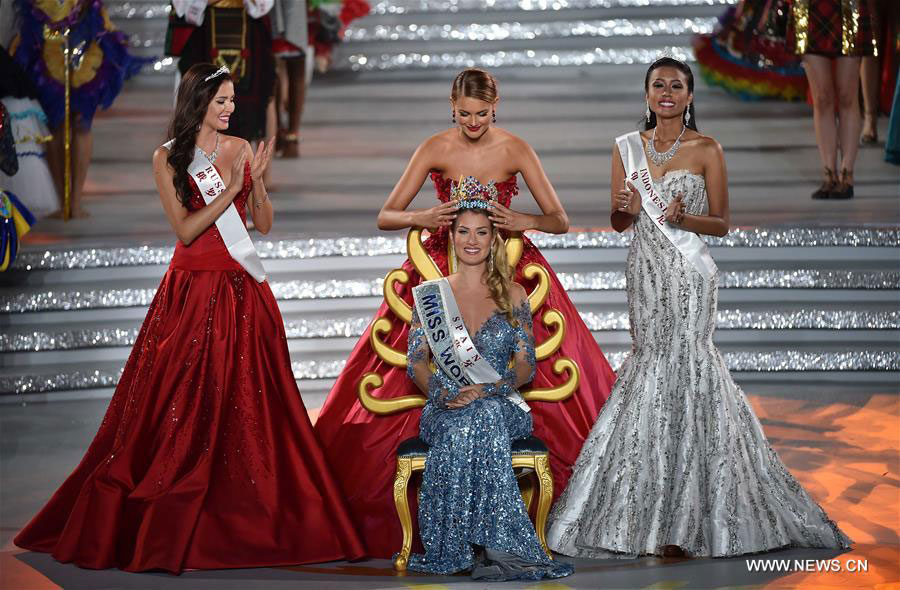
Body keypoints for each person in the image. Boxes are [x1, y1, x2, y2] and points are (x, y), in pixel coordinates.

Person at [13, 63, 365, 573]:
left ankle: (249, 501)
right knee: (176, 396)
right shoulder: (169, 157)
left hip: (244, 290)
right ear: (197, 103)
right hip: (192, 290)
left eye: (231, 100)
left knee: (252, 399)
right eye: (221, 101)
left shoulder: (242, 147)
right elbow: (185, 229)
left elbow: (261, 226)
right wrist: (229, 191)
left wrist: (258, 185)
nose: (230, 108)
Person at [546, 57, 852, 559]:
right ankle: (643, 511)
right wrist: (624, 208)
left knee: (689, 361)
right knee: (651, 362)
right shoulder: (627, 148)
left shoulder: (707, 149)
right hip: (645, 271)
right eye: (658, 85)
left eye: (677, 85)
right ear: (646, 94)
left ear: (690, 96)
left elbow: (723, 224)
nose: (666, 92)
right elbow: (622, 221)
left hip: (689, 275)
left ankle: (695, 511)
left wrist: (688, 217)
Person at [314, 68, 617, 558]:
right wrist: (423, 216)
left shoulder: (516, 148)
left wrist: (524, 221)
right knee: (410, 373)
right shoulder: (434, 146)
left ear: (496, 107)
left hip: (505, 267)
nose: (473, 122)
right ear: (451, 107)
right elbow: (386, 214)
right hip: (439, 267)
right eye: (463, 114)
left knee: (537, 371)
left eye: (481, 114)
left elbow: (559, 220)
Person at [405, 204, 574, 581]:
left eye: (481, 232)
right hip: (444, 403)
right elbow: (415, 363)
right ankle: (472, 545)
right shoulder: (431, 297)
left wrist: (488, 389)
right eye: (463, 231)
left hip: (501, 401)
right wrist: (443, 396)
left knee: (484, 414)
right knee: (467, 420)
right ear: (450, 237)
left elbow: (526, 367)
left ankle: (478, 545)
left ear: (493, 239)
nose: (472, 240)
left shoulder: (513, 294)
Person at [10, 0, 148, 217]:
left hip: (84, 32)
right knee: (54, 122)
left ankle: (75, 200)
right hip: (46, 34)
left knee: (82, 122)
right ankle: (60, 197)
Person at [787, 0, 877, 199]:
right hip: (809, 8)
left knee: (847, 95)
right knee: (822, 97)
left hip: (848, 6)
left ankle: (847, 174)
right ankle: (829, 174)